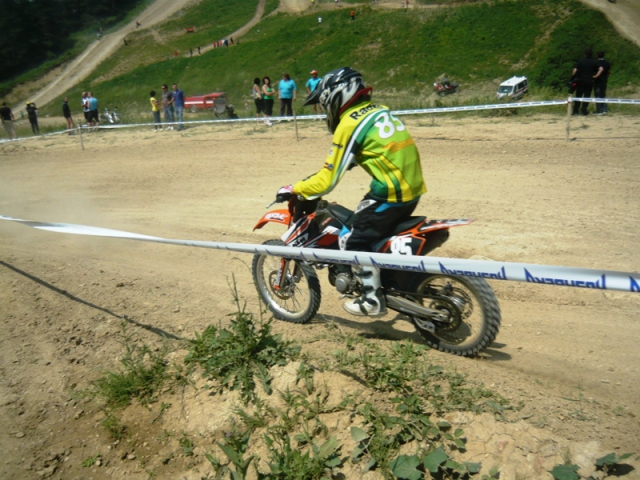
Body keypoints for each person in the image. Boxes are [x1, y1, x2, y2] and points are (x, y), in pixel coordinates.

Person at [275, 67, 426, 316]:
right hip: (412, 189)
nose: (325, 109)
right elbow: (381, 148)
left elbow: (327, 181)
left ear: (335, 96)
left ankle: (372, 300)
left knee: (354, 239)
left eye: (324, 103)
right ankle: (389, 280)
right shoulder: (379, 110)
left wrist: (294, 188)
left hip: (390, 193)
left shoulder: (349, 123)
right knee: (372, 233)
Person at [572, 48, 601, 116]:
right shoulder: (594, 62)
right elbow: (600, 69)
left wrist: (574, 77)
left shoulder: (581, 61)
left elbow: (574, 71)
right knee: (587, 96)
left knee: (578, 95)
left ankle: (576, 110)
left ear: (585, 54)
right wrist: (596, 76)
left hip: (581, 81)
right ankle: (584, 110)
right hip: (589, 80)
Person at [594, 51, 611, 115]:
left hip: (597, 81)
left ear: (597, 56)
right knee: (603, 94)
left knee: (597, 95)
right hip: (604, 80)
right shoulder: (607, 63)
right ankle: (604, 109)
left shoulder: (596, 63)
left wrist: (594, 76)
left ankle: (599, 110)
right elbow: (609, 72)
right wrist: (606, 76)